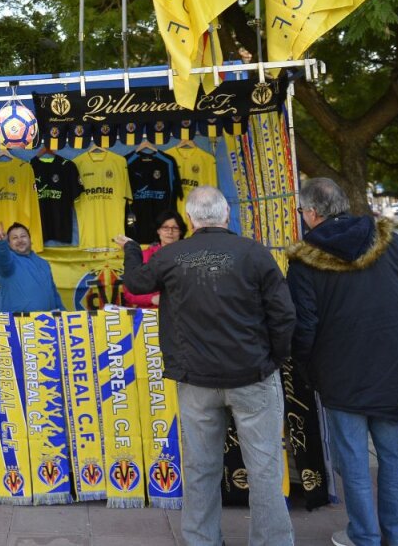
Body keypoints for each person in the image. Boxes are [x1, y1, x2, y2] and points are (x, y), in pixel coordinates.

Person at [114, 186, 295, 546]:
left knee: (201, 468)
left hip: (196, 379)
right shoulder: (254, 253)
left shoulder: (173, 255)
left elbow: (135, 282)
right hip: (251, 375)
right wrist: (274, 358)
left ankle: (201, 540)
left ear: (192, 219)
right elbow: (284, 315)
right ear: (226, 215)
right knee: (264, 469)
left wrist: (132, 249)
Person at [287, 178, 398, 546]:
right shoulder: (392, 243)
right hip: (397, 368)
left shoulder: (304, 262)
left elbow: (303, 330)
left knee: (352, 461)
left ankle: (364, 536)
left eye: (303, 211)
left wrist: (307, 371)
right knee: (394, 456)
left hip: (340, 376)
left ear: (313, 213)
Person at [0, 221, 62, 313]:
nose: (20, 240)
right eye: (15, 238)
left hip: (47, 322)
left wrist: (62, 313)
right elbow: (2, 258)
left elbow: (54, 294)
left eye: (23, 236)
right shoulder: (9, 261)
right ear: (8, 243)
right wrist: (0, 243)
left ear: (30, 239)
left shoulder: (43, 263)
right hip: (18, 323)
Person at [121, 210, 186, 308]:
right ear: (158, 230)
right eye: (165, 227)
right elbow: (129, 293)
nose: (170, 232)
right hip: (149, 316)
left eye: (175, 228)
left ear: (181, 231)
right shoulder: (144, 255)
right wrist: (151, 299)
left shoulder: (188, 257)